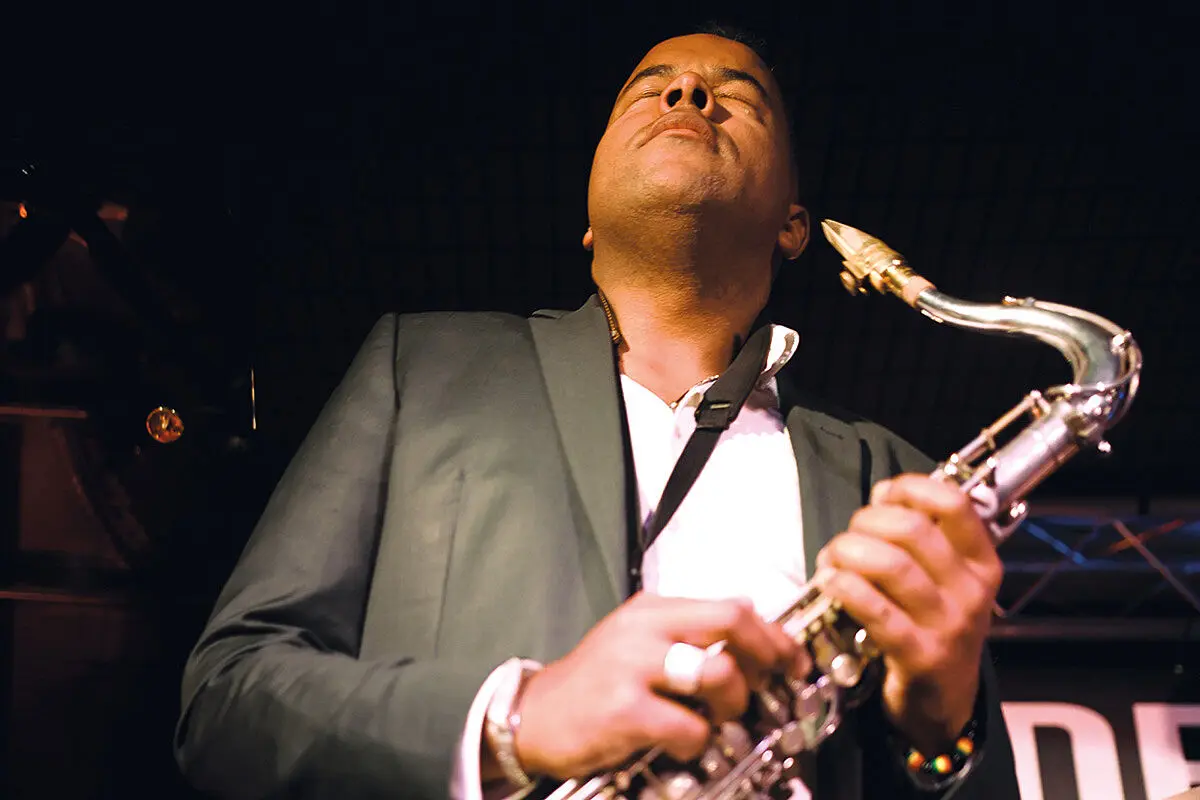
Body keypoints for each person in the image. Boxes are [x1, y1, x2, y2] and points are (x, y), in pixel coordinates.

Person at [174, 28, 1020, 800]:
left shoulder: (897, 477)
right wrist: (516, 718)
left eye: (740, 97)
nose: (688, 94)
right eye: (650, 88)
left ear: (794, 226)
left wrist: (944, 732)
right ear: (587, 218)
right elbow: (227, 700)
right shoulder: (419, 364)